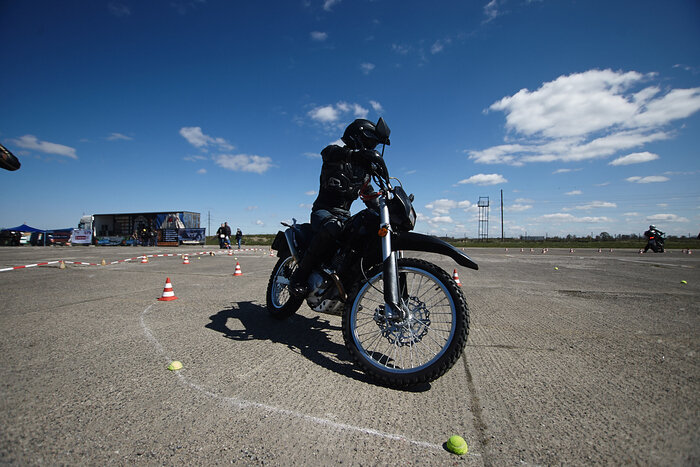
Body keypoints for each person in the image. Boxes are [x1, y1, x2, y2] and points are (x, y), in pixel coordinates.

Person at [289, 118, 390, 297]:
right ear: (356, 137)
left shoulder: (364, 174)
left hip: (345, 216)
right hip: (323, 211)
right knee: (332, 227)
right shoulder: (334, 156)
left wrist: (384, 211)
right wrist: (356, 155)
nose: (371, 147)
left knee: (365, 233)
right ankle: (299, 276)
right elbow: (327, 153)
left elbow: (370, 197)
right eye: (369, 142)